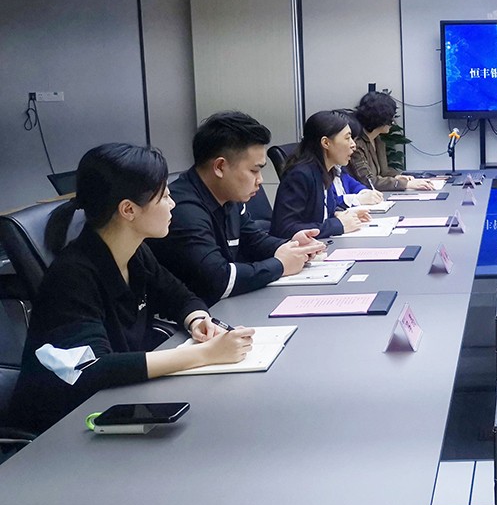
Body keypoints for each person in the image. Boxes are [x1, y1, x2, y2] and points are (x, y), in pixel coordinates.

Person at [8, 143, 255, 434]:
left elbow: (178, 295)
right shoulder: (73, 275)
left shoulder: (135, 253)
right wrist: (205, 354)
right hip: (63, 426)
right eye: (164, 197)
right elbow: (94, 368)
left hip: (117, 402)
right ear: (128, 210)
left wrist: (198, 320)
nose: (172, 204)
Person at [149, 112, 326, 305]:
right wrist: (280, 265)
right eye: (254, 170)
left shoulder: (228, 198)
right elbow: (218, 280)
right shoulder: (183, 209)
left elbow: (254, 241)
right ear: (220, 167)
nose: (260, 180)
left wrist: (292, 246)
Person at [272, 110, 372, 239]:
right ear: (326, 143)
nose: (353, 145)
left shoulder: (326, 170)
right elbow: (284, 229)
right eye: (347, 138)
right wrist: (338, 225)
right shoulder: (300, 175)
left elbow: (320, 214)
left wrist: (341, 215)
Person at [346, 91, 434, 192]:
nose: (393, 122)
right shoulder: (356, 144)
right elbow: (369, 181)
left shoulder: (378, 140)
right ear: (381, 118)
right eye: (390, 118)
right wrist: (405, 184)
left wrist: (397, 177)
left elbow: (384, 172)